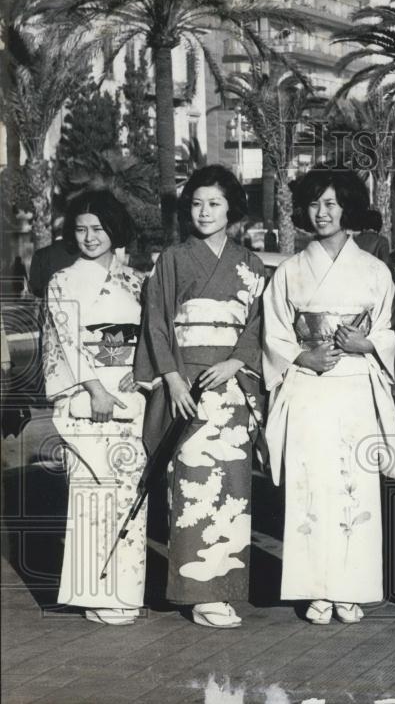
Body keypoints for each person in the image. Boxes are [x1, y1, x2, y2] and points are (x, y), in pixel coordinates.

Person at [263, 166, 395, 625]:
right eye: (314, 203)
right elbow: (275, 334)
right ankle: (316, 590)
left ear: (347, 207)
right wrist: (302, 359)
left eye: (331, 203)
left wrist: (369, 344)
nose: (322, 213)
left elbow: (390, 331)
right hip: (308, 387)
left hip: (356, 384)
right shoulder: (289, 271)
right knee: (311, 484)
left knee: (355, 486)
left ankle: (351, 588)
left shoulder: (376, 271)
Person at [134, 165, 267, 629]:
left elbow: (257, 326)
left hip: (230, 385)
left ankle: (224, 587)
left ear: (231, 208)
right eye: (196, 203)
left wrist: (236, 362)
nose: (204, 211)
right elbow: (155, 321)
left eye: (214, 203)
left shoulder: (250, 265)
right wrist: (169, 378)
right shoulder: (171, 260)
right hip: (185, 384)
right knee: (189, 485)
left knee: (232, 486)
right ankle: (197, 592)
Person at [41, 190, 148, 625]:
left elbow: (151, 337)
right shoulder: (62, 281)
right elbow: (64, 341)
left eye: (98, 229)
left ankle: (126, 591)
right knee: (91, 492)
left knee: (129, 494)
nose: (89, 237)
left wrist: (142, 371)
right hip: (84, 394)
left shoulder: (136, 280)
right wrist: (93, 389)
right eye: (81, 229)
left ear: (113, 230)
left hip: (128, 393)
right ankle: (94, 591)